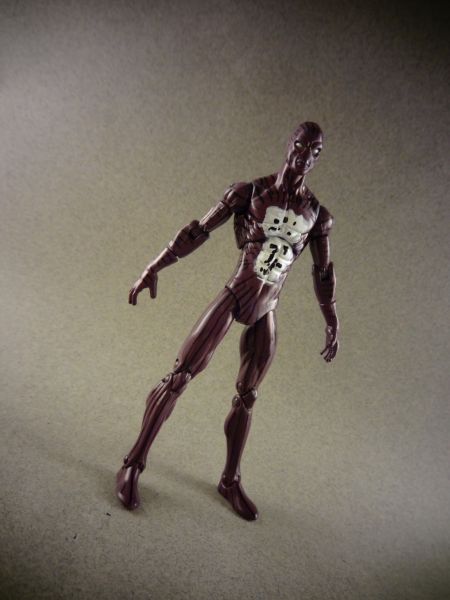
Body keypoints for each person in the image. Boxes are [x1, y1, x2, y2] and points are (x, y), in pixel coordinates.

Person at [116, 122, 339, 521]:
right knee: (179, 376)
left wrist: (331, 320)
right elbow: (198, 230)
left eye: (315, 151)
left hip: (267, 307)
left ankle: (230, 480)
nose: (305, 155)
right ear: (289, 145)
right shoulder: (250, 193)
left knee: (247, 396)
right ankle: (133, 463)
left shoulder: (317, 215)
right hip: (235, 295)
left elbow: (323, 272)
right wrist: (154, 267)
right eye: (301, 145)